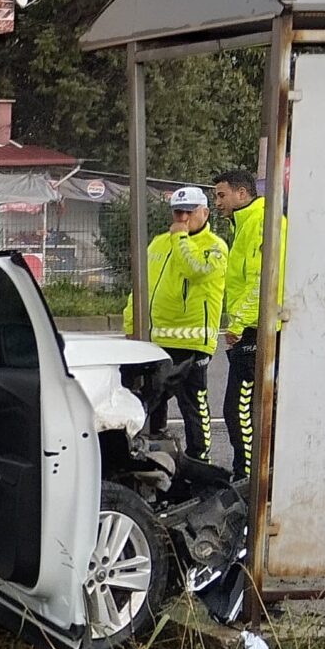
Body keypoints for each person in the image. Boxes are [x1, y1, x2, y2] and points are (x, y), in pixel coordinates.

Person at [120, 186, 229, 463]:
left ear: (204, 213)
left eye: (188, 213)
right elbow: (141, 286)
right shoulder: (158, 242)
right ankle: (153, 449)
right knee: (150, 398)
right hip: (155, 338)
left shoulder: (214, 247)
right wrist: (132, 323)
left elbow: (194, 270)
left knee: (192, 403)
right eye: (177, 212)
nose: (181, 218)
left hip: (191, 341)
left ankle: (199, 458)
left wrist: (180, 237)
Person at [213, 168, 283, 484]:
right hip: (253, 330)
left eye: (221, 195)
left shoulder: (260, 223)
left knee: (238, 410)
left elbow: (261, 280)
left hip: (257, 331)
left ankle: (250, 476)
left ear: (242, 194)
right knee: (247, 409)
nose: (217, 202)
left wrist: (238, 324)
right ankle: (253, 474)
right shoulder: (245, 225)